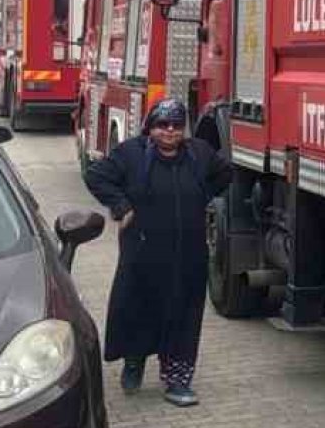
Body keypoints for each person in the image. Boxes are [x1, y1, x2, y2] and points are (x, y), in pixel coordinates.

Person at [84, 98, 231, 407]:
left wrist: (203, 195)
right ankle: (134, 360)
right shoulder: (131, 154)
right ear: (150, 126)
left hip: (189, 256)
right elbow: (95, 175)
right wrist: (121, 206)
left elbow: (224, 173)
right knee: (139, 309)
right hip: (143, 253)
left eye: (177, 125)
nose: (170, 131)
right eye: (162, 125)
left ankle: (177, 379)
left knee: (184, 315)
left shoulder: (198, 154)